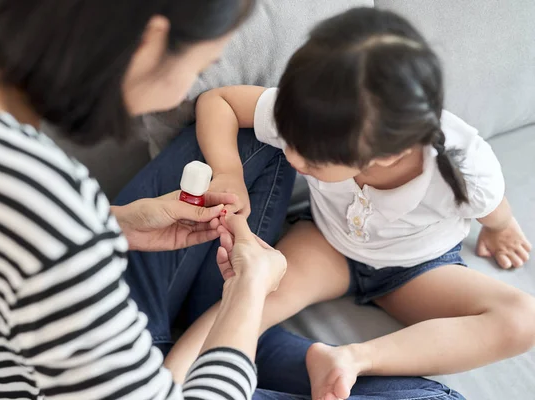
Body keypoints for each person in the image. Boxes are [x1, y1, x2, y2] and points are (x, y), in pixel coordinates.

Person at [0, 2, 465, 399]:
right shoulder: (42, 209)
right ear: (150, 40)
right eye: (197, 65)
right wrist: (246, 295)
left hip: (91, 332)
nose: (182, 91)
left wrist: (112, 223)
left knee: (267, 129)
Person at [164, 7, 535, 400]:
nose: (290, 158)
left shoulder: (465, 165)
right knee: (245, 300)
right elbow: (218, 101)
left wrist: (500, 228)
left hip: (415, 268)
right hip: (326, 244)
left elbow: (491, 207)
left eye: (312, 161)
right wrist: (227, 171)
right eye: (289, 141)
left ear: (388, 155)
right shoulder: (312, 116)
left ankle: (353, 358)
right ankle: (166, 380)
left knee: (523, 318)